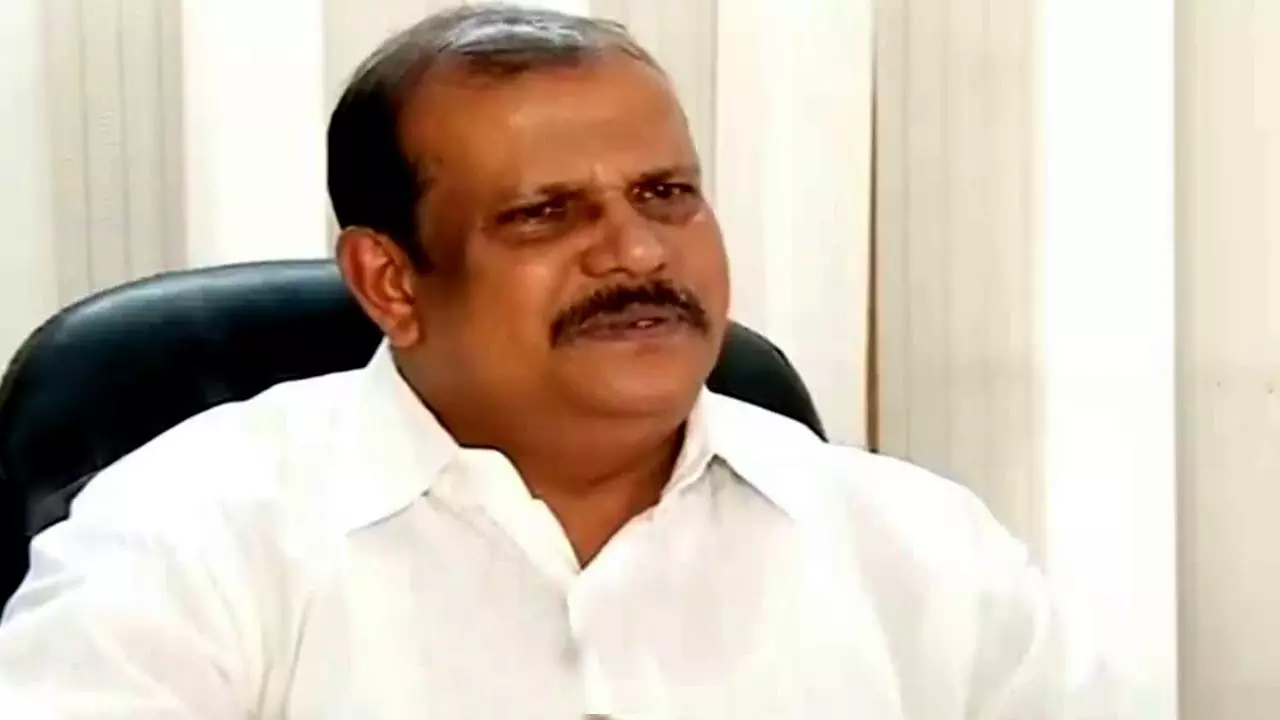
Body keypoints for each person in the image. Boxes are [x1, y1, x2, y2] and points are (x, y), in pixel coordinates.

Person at [0, 4, 1111, 718]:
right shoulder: (190, 535)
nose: (638, 251)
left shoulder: (914, 547)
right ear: (390, 281)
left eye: (665, 194)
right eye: (545, 213)